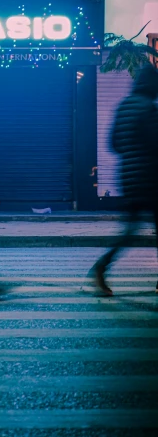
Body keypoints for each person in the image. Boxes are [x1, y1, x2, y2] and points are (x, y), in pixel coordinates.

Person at [89, 64, 158, 295]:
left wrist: (132, 152)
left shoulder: (124, 106)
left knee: (129, 231)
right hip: (150, 179)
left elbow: (115, 144)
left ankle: (102, 266)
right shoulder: (148, 108)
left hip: (129, 179)